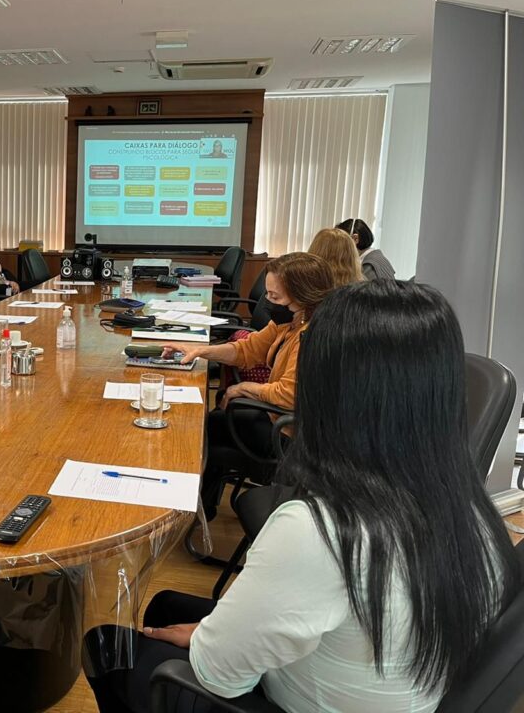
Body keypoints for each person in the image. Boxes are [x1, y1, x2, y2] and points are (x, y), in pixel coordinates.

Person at [85, 280, 519, 712]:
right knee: (163, 607)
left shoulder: (318, 531)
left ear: (327, 390)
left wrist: (207, 639)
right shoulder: (477, 517)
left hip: (289, 701)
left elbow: (220, 675)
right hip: (388, 693)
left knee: (106, 646)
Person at [162, 252, 333, 521]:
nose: (267, 303)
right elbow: (245, 350)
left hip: (289, 435)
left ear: (303, 296)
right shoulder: (291, 322)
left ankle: (199, 514)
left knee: (206, 429)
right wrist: (199, 350)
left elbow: (288, 395)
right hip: (274, 416)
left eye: (275, 297)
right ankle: (201, 512)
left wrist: (244, 389)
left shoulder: (311, 336)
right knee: (211, 425)